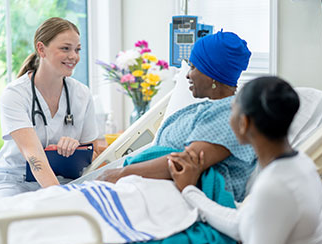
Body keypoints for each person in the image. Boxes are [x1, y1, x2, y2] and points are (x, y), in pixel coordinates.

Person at [169, 76, 322, 244]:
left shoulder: (275, 187)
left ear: (244, 123)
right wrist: (189, 190)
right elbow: (242, 222)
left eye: (231, 111)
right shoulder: (300, 164)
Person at [98, 31, 256, 202]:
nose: (188, 74)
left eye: (193, 67)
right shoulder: (207, 108)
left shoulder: (229, 114)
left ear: (212, 75)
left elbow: (185, 162)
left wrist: (120, 173)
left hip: (174, 194)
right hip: (153, 186)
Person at [0, 17, 98, 202]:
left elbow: (95, 151)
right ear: (41, 49)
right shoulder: (16, 94)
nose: (73, 56)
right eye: (65, 48)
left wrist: (78, 148)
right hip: (13, 181)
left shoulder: (82, 94)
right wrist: (60, 199)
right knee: (11, 220)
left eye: (77, 50)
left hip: (64, 181)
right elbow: (33, 154)